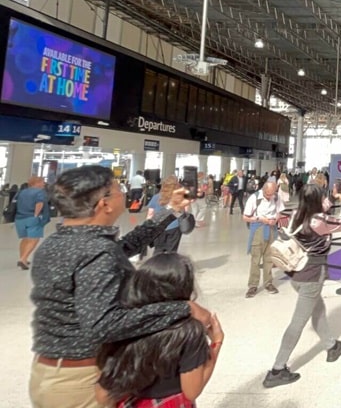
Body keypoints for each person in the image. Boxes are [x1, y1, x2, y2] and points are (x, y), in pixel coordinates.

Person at [28, 165, 210, 408]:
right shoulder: (95, 251)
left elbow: (125, 247)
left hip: (52, 371)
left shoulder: (59, 243)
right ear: (105, 203)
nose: (123, 193)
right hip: (83, 380)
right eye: (117, 190)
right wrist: (181, 309)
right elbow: (103, 325)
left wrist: (171, 210)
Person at [96, 254, 223, 407]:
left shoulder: (126, 323)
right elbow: (191, 391)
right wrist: (216, 343)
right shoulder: (188, 330)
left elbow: (102, 393)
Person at [263, 185, 341, 389]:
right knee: (298, 322)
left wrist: (333, 198)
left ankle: (332, 345)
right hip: (312, 275)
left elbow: (322, 208)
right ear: (317, 201)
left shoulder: (295, 215)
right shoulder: (319, 221)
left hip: (296, 273)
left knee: (318, 309)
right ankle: (277, 369)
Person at [243, 182, 286, 298]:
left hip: (272, 229)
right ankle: (253, 285)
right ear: (263, 190)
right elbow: (245, 217)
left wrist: (275, 220)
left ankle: (268, 283)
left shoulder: (276, 197)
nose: (269, 197)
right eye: (267, 194)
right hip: (258, 229)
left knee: (269, 258)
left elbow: (279, 212)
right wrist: (260, 219)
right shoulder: (254, 198)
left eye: (271, 194)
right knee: (255, 259)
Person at [15, 176, 50, 270]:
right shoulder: (39, 192)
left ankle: (23, 257)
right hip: (32, 218)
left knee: (25, 239)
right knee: (34, 239)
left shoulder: (22, 191)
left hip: (20, 218)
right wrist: (36, 215)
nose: (44, 184)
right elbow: (39, 203)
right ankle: (23, 259)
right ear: (37, 183)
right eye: (42, 182)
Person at [147, 176, 185, 255]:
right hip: (174, 227)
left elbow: (150, 214)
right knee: (172, 251)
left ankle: (157, 265)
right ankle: (170, 266)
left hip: (158, 227)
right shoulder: (178, 198)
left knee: (158, 250)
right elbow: (182, 212)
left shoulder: (156, 197)